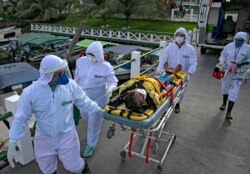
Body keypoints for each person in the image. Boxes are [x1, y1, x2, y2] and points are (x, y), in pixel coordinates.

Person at [7, 55, 104, 174]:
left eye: (62, 72)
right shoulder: (31, 92)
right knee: (47, 169)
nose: (62, 76)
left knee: (74, 166)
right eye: (58, 73)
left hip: (67, 136)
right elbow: (21, 118)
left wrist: (98, 109)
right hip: (43, 138)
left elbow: (84, 101)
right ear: (48, 74)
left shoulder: (70, 86)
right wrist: (13, 141)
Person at [74, 41, 118, 158]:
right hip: (84, 95)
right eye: (89, 54)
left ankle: (91, 145)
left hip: (99, 96)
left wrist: (111, 88)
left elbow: (112, 81)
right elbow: (77, 77)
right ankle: (99, 118)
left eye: (93, 55)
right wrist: (73, 91)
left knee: (93, 121)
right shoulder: (81, 62)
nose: (90, 57)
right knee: (85, 116)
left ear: (99, 55)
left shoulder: (105, 66)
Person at [157, 27, 197, 113]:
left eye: (181, 35)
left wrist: (189, 73)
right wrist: (160, 71)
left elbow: (193, 63)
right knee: (165, 88)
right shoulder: (170, 47)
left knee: (181, 91)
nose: (179, 37)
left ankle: (178, 104)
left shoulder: (190, 49)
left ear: (185, 37)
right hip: (169, 73)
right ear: (175, 36)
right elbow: (163, 60)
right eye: (177, 35)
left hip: (182, 75)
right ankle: (165, 105)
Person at [116, 64, 182, 113]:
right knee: (169, 77)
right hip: (160, 83)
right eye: (141, 97)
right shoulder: (151, 97)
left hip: (150, 79)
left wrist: (124, 93)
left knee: (157, 74)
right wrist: (169, 88)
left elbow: (124, 87)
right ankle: (174, 71)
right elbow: (162, 94)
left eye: (138, 93)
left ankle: (165, 70)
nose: (141, 94)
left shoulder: (126, 89)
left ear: (131, 91)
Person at [218, 31, 250, 120]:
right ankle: (224, 103)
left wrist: (242, 64)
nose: (238, 41)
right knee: (225, 88)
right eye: (237, 39)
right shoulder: (229, 46)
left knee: (234, 92)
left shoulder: (248, 48)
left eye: (241, 40)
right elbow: (223, 55)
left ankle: (229, 113)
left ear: (244, 40)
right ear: (234, 38)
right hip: (227, 70)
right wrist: (221, 62)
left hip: (239, 72)